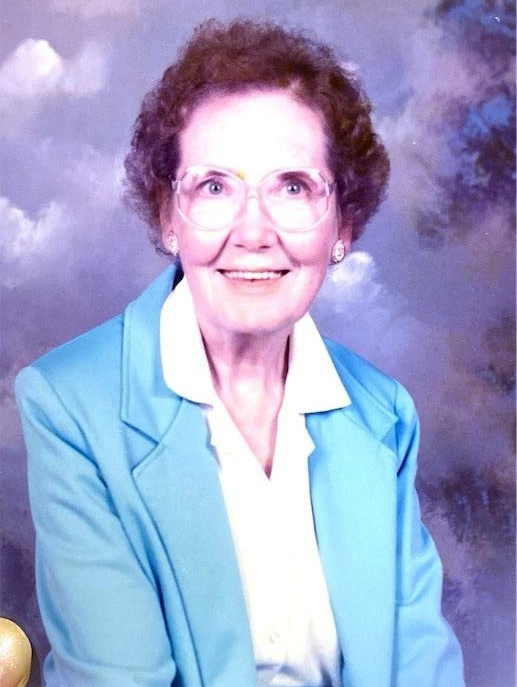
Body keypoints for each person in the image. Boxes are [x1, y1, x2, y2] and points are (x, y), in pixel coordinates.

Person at [15, 18, 465, 687]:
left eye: (293, 187)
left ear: (343, 225)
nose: (253, 231)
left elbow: (417, 667)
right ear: (168, 217)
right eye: (214, 187)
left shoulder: (384, 413)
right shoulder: (70, 405)